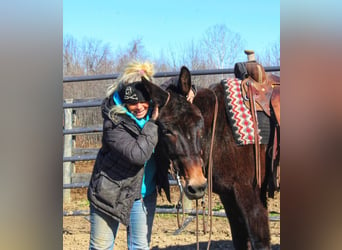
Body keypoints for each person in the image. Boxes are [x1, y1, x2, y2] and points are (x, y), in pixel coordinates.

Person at [87, 61, 162, 250]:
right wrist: (152, 125)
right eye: (132, 102)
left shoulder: (155, 109)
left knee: (140, 246)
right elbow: (137, 155)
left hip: (144, 193)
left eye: (143, 100)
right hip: (110, 193)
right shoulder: (113, 121)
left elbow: (174, 89)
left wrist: (189, 90)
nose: (139, 107)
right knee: (101, 247)